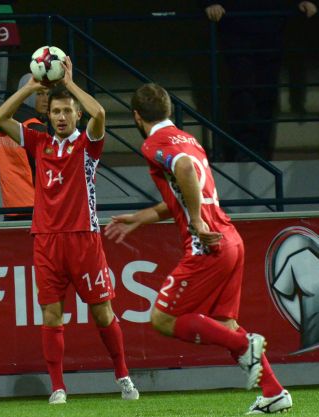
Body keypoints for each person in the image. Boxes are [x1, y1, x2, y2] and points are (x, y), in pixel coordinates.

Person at [105, 83, 292, 414]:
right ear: (171, 111)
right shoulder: (188, 139)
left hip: (207, 244)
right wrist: (141, 217)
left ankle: (245, 346)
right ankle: (273, 390)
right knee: (225, 323)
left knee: (163, 318)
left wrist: (196, 222)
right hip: (230, 238)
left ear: (136, 117)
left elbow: (185, 170)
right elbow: (185, 188)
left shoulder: (153, 144)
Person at [0, 57, 139, 405]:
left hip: (83, 238)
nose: (60, 116)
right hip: (45, 239)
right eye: (55, 111)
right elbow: (0, 118)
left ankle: (123, 376)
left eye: (67, 111)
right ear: (49, 114)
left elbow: (100, 114)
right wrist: (30, 87)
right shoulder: (39, 143)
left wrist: (70, 84)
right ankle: (58, 387)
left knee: (102, 311)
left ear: (77, 116)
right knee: (51, 314)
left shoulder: (88, 145)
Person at [200, 0, 317, 161]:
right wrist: (211, 3)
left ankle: (259, 149)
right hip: (239, 29)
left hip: (269, 29)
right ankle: (244, 149)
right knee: (243, 92)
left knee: (265, 93)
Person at [0, 73, 48, 220]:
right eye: (40, 94)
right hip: (36, 208)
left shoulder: (1, 126)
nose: (46, 100)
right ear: (27, 93)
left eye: (48, 94)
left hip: (11, 208)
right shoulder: (35, 127)